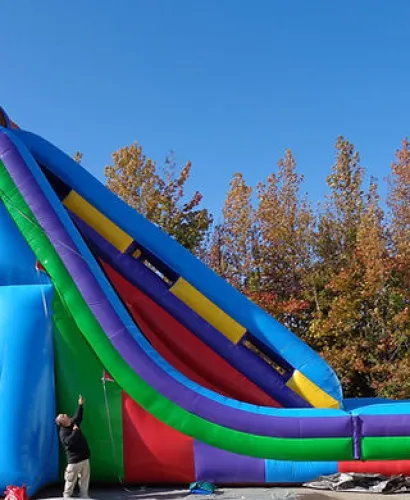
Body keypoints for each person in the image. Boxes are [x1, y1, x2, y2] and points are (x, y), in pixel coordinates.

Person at [55, 395, 91, 498]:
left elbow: (78, 416)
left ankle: (84, 496)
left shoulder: (72, 423)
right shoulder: (63, 433)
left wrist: (80, 404)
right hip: (74, 461)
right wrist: (75, 431)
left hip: (84, 458)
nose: (66, 414)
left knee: (84, 479)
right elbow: (69, 442)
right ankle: (67, 496)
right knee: (70, 481)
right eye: (64, 415)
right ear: (63, 422)